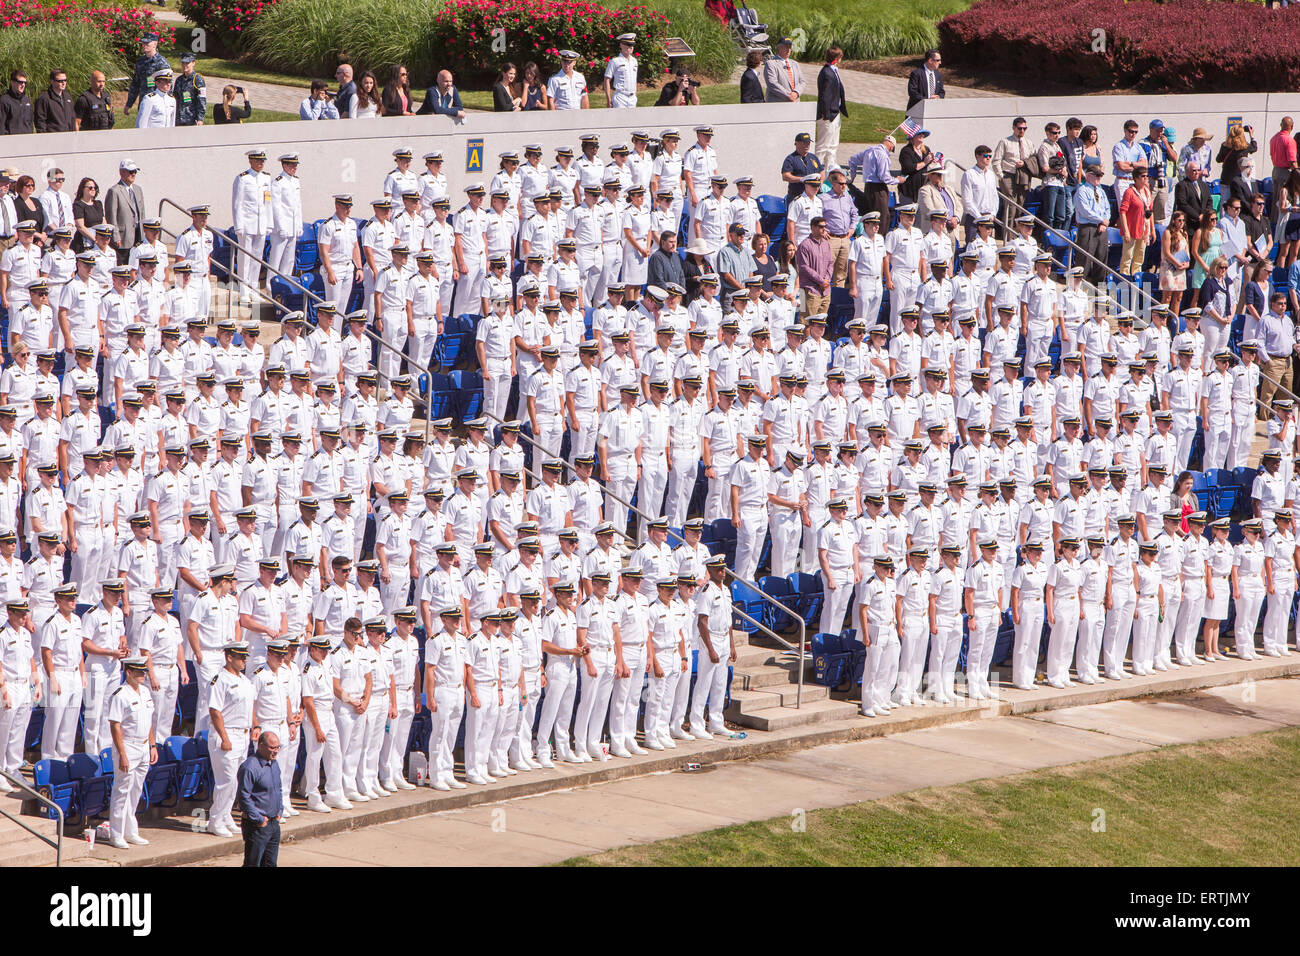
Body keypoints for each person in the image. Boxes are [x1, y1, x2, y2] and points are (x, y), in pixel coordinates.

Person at [105, 656, 156, 849]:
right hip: (127, 746)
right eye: (139, 672)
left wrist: (152, 745)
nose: (143, 675)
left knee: (136, 790)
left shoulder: (145, 691)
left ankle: (130, 830)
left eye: (144, 671)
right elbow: (115, 725)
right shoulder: (120, 694)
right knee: (122, 791)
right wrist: (122, 754)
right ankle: (116, 833)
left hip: (143, 746)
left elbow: (149, 720)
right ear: (129, 672)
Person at [207, 638, 254, 838]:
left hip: (243, 734)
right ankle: (215, 820)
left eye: (245, 657)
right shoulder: (220, 679)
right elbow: (215, 711)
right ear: (229, 657)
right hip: (226, 734)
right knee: (225, 780)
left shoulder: (244, 680)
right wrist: (224, 737)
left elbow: (251, 706)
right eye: (240, 657)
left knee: (235, 780)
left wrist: (255, 726)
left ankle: (226, 816)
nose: (244, 661)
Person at [237, 730, 282, 866]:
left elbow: (278, 789)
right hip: (257, 826)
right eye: (272, 748)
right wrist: (259, 819)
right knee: (252, 863)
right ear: (260, 746)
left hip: (274, 823)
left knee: (270, 863)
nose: (276, 751)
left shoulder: (274, 764)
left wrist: (280, 810)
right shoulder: (249, 767)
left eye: (278, 747)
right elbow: (243, 796)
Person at [992, 117, 1035, 232]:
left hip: (1023, 176)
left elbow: (1033, 159)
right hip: (1008, 175)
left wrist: (1025, 163)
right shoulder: (1005, 142)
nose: (1022, 131)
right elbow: (996, 160)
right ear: (1014, 128)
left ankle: (1017, 233)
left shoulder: (1028, 143)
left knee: (1020, 205)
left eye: (1024, 128)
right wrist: (1001, 176)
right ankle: (1007, 233)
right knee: (1011, 205)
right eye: (1019, 128)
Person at [103, 160, 145, 265]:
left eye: (135, 171)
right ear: (122, 172)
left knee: (136, 267)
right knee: (124, 268)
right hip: (123, 238)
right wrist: (115, 236)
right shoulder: (114, 191)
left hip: (138, 236)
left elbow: (142, 213)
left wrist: (144, 233)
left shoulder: (138, 189)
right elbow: (111, 216)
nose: (133, 174)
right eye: (130, 171)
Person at [1118, 167, 1154, 276]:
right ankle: (1124, 279)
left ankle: (1136, 278)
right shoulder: (1129, 192)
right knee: (1127, 257)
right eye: (1143, 176)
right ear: (1136, 178)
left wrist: (1152, 230)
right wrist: (1126, 231)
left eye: (1147, 176)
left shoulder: (1147, 192)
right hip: (1132, 228)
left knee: (1139, 257)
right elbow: (1123, 212)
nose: (1146, 178)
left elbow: (1150, 211)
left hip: (1144, 229)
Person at [123, 33, 169, 117]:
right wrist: (129, 104)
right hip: (143, 103)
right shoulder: (141, 61)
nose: (144, 45)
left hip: (157, 106)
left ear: (155, 44)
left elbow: (168, 87)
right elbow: (135, 84)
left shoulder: (162, 63)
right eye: (143, 43)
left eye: (147, 43)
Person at [1217, 122, 1258, 207]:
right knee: (1239, 204)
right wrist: (1251, 135)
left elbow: (1218, 159)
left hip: (1226, 179)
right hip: (1239, 180)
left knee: (1225, 203)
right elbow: (1254, 147)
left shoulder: (1225, 146)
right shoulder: (1245, 147)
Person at [764, 36, 804, 103]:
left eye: (790, 47)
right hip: (778, 104)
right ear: (779, 48)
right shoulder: (771, 64)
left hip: (795, 103)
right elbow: (772, 83)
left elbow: (802, 81)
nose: (788, 49)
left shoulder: (795, 64)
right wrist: (789, 96)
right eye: (786, 47)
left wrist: (796, 93)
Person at [604, 33, 639, 108]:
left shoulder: (634, 61)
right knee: (619, 119)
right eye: (628, 45)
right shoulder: (615, 61)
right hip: (620, 97)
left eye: (632, 45)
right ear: (621, 45)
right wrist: (608, 99)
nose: (631, 47)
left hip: (632, 98)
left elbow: (634, 79)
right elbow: (607, 80)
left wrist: (635, 95)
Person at [34, 69, 74, 133]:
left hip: (68, 137)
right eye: (60, 81)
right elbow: (40, 121)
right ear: (52, 81)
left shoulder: (67, 97)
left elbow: (72, 118)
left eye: (65, 80)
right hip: (52, 138)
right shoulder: (44, 98)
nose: (63, 83)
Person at [173, 54, 207, 127]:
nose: (184, 65)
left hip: (191, 119)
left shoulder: (198, 79)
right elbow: (175, 98)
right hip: (178, 119)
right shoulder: (179, 80)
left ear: (193, 63)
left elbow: (202, 100)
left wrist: (200, 119)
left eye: (187, 63)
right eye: (183, 63)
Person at [0, 71, 32, 136]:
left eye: (25, 83)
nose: (23, 85)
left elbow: (30, 122)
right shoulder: (4, 100)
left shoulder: (27, 100)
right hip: (11, 140)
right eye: (20, 82)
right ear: (12, 82)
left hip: (27, 139)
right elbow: (1, 124)